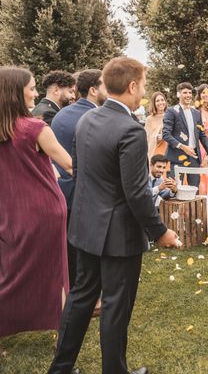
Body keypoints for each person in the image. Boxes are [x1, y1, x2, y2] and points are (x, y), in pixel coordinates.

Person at [48, 57, 181, 374]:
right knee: (115, 307)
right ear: (132, 86)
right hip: (119, 235)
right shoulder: (131, 131)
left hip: (84, 227)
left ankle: (60, 369)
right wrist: (161, 232)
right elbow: (136, 192)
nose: (145, 92)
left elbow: (80, 175)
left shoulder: (86, 121)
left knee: (81, 298)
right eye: (144, 86)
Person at [0, 67, 72, 339]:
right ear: (16, 93)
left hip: (8, 211)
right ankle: (63, 332)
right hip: (44, 211)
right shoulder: (35, 128)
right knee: (55, 274)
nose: (35, 93)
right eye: (31, 87)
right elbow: (69, 165)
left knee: (10, 273)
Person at [51, 69, 107, 288]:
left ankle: (72, 289)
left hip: (62, 190)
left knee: (71, 249)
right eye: (104, 86)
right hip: (83, 191)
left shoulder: (63, 113)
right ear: (93, 90)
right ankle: (87, 295)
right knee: (86, 250)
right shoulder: (92, 117)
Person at [162, 82, 208, 187]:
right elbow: (166, 134)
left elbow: (202, 134)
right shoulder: (171, 111)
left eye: (190, 93)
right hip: (177, 157)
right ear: (178, 94)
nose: (188, 95)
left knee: (194, 190)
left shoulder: (196, 113)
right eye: (185, 92)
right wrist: (182, 146)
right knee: (174, 190)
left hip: (194, 157)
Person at [144, 91, 168, 161]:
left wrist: (164, 136)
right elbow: (147, 138)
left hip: (168, 151)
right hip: (155, 152)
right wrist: (156, 137)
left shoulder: (170, 116)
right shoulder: (149, 119)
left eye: (162, 100)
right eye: (157, 101)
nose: (161, 102)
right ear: (154, 103)